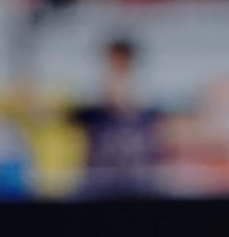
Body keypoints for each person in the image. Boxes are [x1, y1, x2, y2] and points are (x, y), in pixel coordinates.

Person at [67, 36, 163, 195]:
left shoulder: (147, 101)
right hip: (100, 180)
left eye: (121, 60)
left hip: (137, 180)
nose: (116, 65)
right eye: (112, 60)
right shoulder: (92, 101)